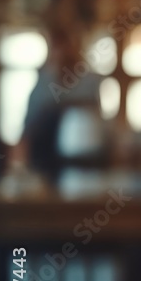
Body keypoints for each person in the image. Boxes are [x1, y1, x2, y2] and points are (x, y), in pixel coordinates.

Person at [20, 26, 104, 182]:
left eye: (65, 45)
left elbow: (98, 120)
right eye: (56, 47)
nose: (61, 52)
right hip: (44, 160)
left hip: (83, 159)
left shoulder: (90, 81)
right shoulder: (43, 81)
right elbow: (28, 129)